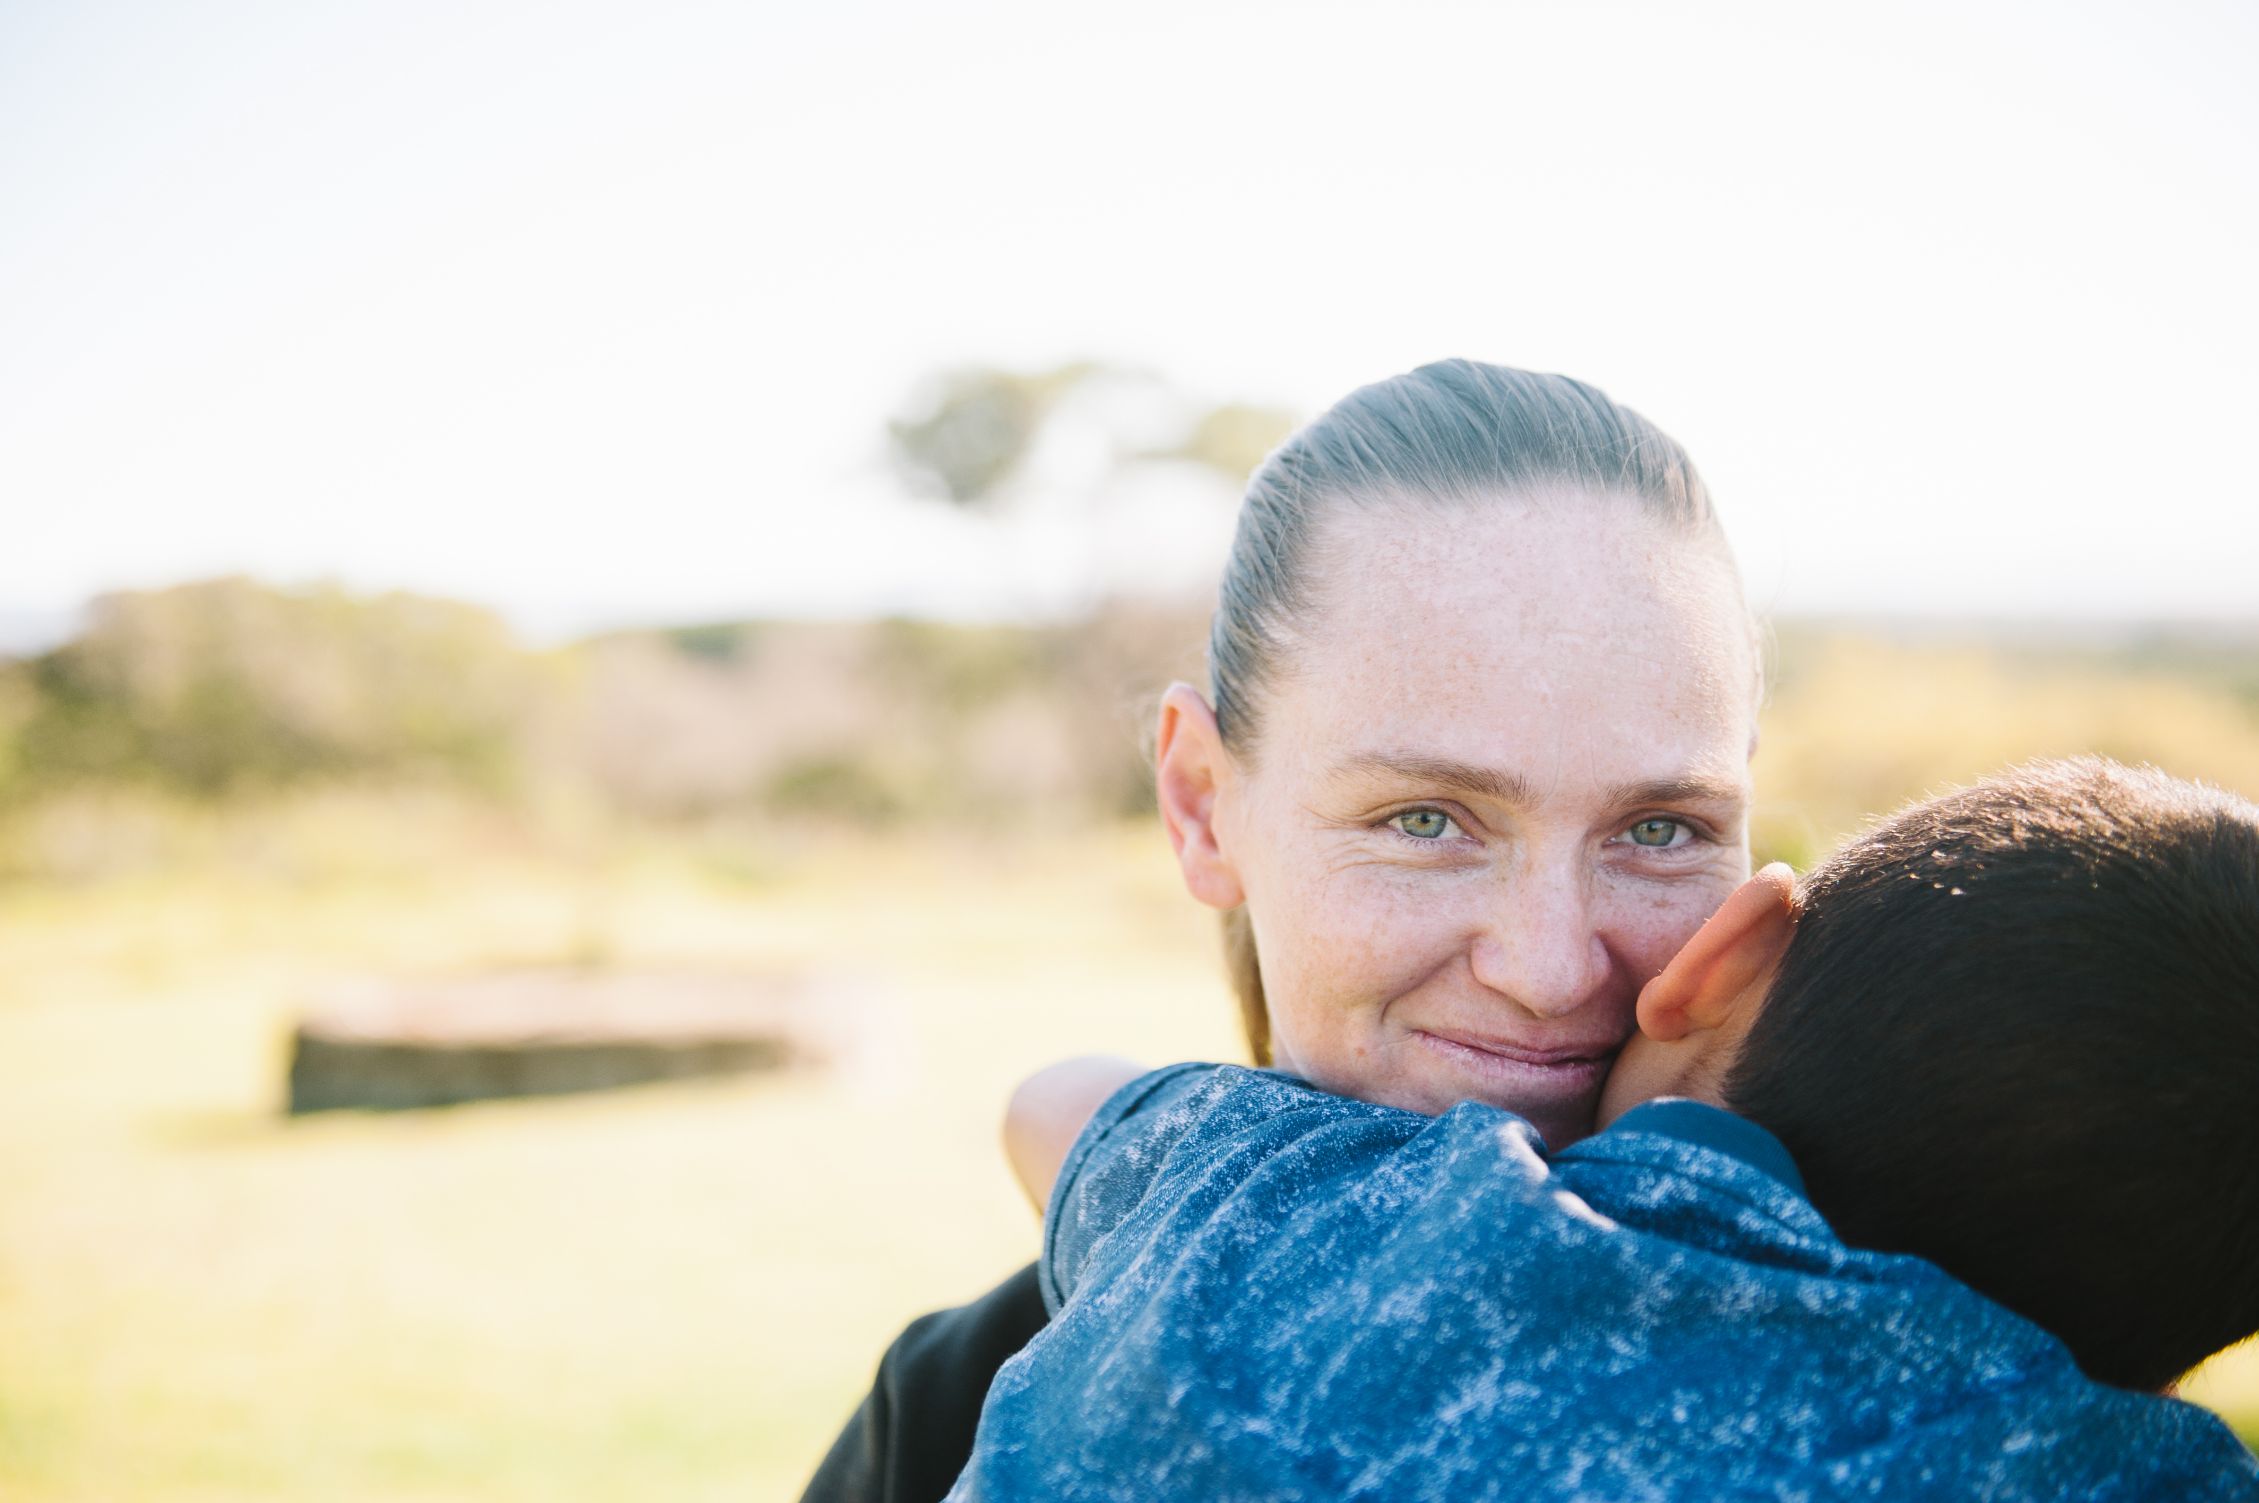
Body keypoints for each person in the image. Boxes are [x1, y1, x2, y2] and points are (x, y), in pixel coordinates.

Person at [802, 359, 1764, 1502]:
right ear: (1203, 805)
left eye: (1659, 829)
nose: (1552, 971)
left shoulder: (1970, 1296)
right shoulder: (958, 1412)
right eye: (1424, 819)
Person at [955, 759, 2259, 1501]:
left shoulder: (1278, 1198)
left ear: (1727, 948)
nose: (1542, 969)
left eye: (1655, 830)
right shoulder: (2125, 1475)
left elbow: (1045, 1102)